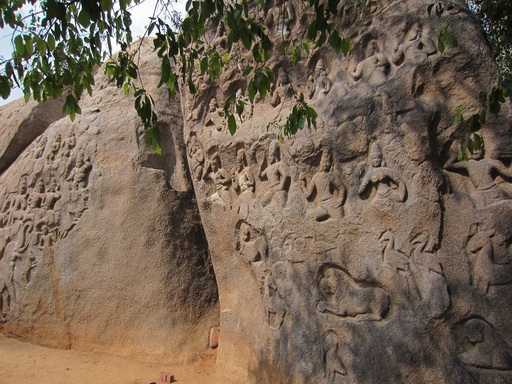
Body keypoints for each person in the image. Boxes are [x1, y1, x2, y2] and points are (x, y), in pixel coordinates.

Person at [301, 148, 345, 220]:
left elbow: (341, 187)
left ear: (331, 164)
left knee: (341, 221)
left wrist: (340, 200)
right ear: (320, 162)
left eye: (328, 162)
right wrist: (303, 186)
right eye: (324, 162)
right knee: (308, 217)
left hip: (331, 204)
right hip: (321, 206)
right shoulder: (316, 177)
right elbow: (308, 195)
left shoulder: (331, 175)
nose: (325, 164)